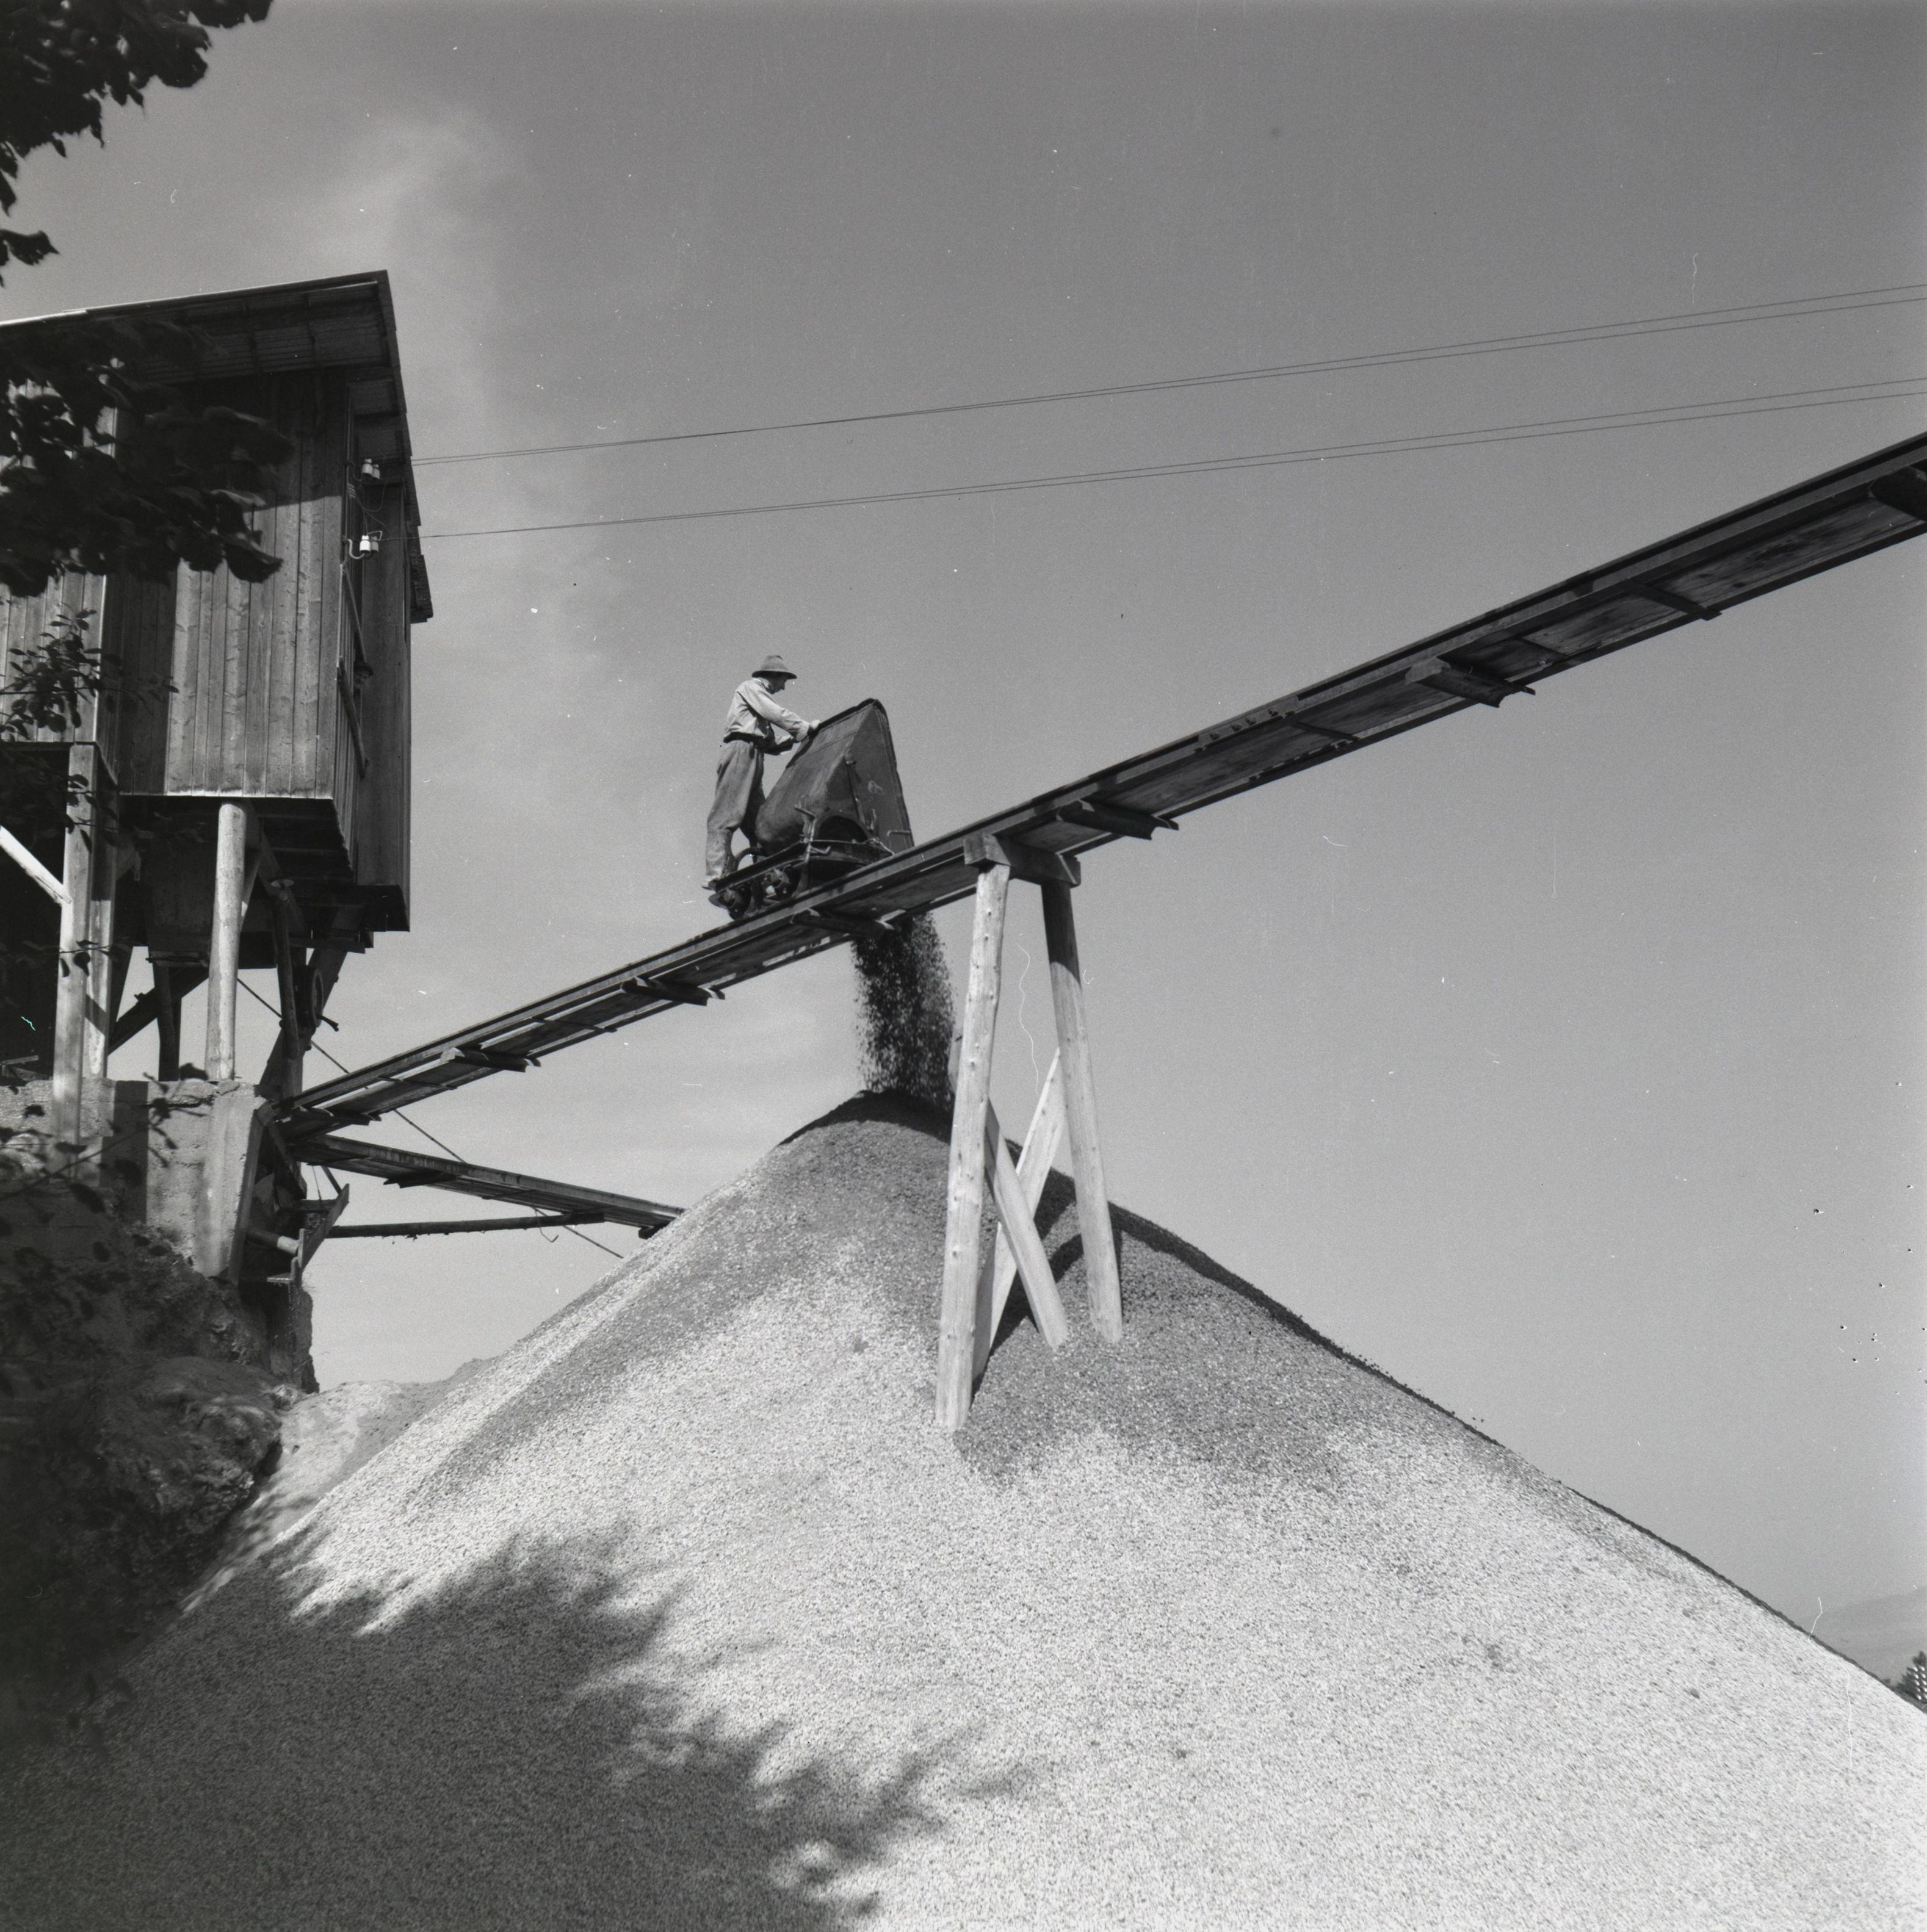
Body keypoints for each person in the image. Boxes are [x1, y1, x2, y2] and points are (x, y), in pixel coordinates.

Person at [704, 654, 817, 901]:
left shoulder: (758, 707)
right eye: (783, 680)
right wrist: (803, 728)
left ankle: (768, 877)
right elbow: (776, 713)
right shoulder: (752, 689)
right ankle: (717, 873)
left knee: (760, 824)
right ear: (774, 676)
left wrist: (800, 736)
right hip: (740, 751)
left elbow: (770, 743)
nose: (783, 687)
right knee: (726, 814)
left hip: (753, 755)